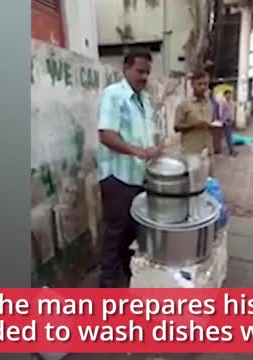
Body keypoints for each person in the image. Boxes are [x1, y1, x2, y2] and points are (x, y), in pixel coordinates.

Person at [96, 49, 161, 288]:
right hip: (117, 176)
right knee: (115, 233)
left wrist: (153, 150)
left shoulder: (144, 100)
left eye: (147, 72)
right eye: (139, 71)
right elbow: (106, 135)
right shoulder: (113, 95)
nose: (144, 77)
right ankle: (107, 286)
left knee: (130, 233)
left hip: (137, 177)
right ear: (125, 69)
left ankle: (127, 279)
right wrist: (137, 151)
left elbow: (144, 138)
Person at [174, 70, 214, 159]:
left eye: (205, 84)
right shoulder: (184, 105)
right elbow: (176, 127)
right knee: (193, 173)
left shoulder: (210, 104)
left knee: (209, 173)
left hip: (208, 152)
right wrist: (194, 125)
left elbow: (212, 122)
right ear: (192, 85)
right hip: (191, 153)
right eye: (199, 84)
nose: (203, 87)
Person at [219, 90, 238, 156]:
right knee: (228, 137)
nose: (229, 96)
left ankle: (231, 150)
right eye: (228, 94)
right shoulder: (223, 102)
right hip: (226, 122)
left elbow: (231, 111)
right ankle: (232, 151)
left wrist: (233, 119)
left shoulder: (230, 102)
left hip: (230, 121)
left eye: (230, 94)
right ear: (225, 95)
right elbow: (220, 113)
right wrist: (224, 121)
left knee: (229, 137)